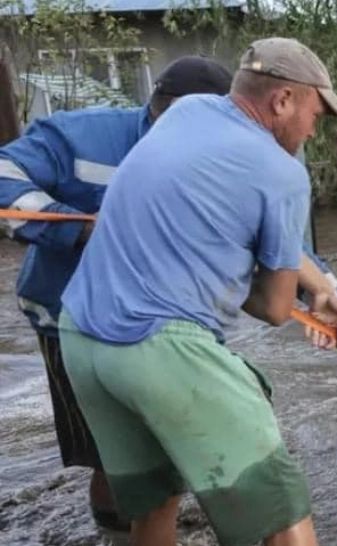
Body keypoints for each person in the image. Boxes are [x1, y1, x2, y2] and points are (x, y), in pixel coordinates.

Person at [58, 37, 337, 546]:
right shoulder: (283, 173)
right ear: (283, 100)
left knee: (154, 504)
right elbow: (270, 307)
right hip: (158, 346)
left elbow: (210, 227)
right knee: (282, 513)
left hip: (82, 340)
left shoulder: (188, 111)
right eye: (316, 112)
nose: (316, 127)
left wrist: (320, 290)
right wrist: (325, 312)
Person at [0, 55, 235, 531]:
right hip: (68, 319)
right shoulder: (80, 136)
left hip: (171, 322)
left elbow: (274, 240)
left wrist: (328, 295)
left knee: (179, 443)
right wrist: (80, 230)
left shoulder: (225, 155)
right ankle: (118, 534)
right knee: (111, 454)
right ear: (161, 111)